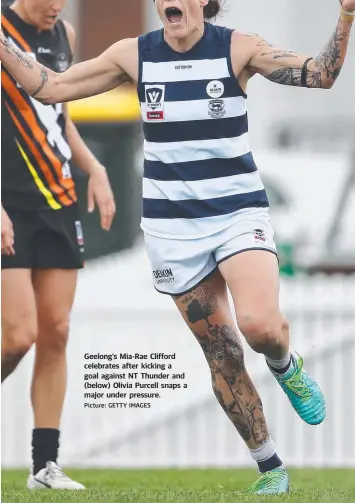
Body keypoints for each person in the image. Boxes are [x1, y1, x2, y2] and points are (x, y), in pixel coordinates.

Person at [1, 0, 353, 494]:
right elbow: (49, 86)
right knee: (223, 353)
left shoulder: (239, 48)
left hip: (236, 214)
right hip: (172, 229)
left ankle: (284, 364)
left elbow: (321, 75)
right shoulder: (133, 54)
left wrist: (346, 16)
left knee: (258, 326)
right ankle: (270, 467)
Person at [1, 0, 116, 491]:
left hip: (58, 198)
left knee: (57, 330)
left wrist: (97, 169)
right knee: (17, 334)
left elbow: (57, 116)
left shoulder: (64, 32)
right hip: (8, 202)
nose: (57, 6)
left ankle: (44, 467)